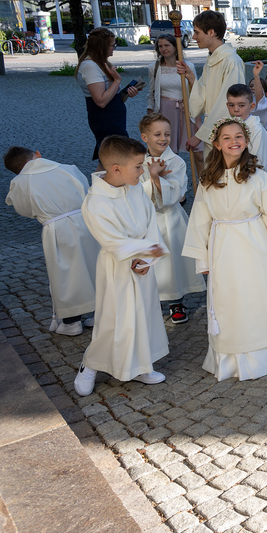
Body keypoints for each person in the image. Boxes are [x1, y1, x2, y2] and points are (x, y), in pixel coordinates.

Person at [182, 118, 267, 381]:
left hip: (257, 245)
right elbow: (200, 220)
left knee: (261, 294)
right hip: (223, 249)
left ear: (247, 141)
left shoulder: (258, 177)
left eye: (239, 136)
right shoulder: (208, 180)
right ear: (216, 144)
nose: (234, 141)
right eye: (226, 138)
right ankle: (234, 355)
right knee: (231, 299)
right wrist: (202, 259)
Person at [74, 136, 168, 397]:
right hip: (117, 268)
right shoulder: (96, 202)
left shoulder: (134, 187)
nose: (142, 171)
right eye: (138, 166)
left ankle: (140, 365)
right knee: (114, 320)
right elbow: (112, 241)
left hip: (142, 264)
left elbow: (150, 222)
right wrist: (148, 250)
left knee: (143, 315)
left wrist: (149, 258)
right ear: (116, 169)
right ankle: (91, 364)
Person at [4, 146, 98, 336]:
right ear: (38, 154)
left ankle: (72, 322)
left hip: (57, 229)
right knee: (93, 266)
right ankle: (100, 314)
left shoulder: (20, 181)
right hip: (85, 221)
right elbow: (85, 188)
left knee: (66, 274)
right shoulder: (67, 168)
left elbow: (23, 209)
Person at [137, 114, 205, 324]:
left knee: (171, 262)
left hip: (170, 218)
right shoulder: (137, 161)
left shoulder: (176, 161)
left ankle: (176, 301)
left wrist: (157, 178)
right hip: (146, 219)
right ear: (145, 137)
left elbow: (177, 193)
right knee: (149, 260)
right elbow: (135, 192)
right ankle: (150, 301)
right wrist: (152, 178)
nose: (163, 138)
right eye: (157, 134)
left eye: (167, 134)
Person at [180, 10, 244, 166]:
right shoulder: (212, 60)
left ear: (211, 32)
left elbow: (229, 105)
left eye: (197, 32)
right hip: (213, 131)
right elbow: (204, 96)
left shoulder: (231, 61)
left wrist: (200, 136)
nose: (194, 37)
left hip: (226, 136)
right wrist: (191, 78)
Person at [77, 27, 141, 159]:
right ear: (103, 46)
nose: (114, 48)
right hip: (106, 120)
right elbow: (101, 101)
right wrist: (117, 80)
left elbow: (110, 94)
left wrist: (125, 93)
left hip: (112, 118)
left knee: (109, 158)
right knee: (117, 156)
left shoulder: (99, 63)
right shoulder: (90, 66)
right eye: (112, 45)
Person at [146, 34, 197, 154]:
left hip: (185, 109)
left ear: (175, 47)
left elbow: (195, 89)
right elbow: (151, 92)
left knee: (194, 148)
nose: (164, 49)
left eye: (167, 45)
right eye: (160, 46)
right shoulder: (154, 68)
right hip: (165, 109)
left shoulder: (188, 66)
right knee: (167, 148)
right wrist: (150, 113)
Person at [226, 84, 267, 171]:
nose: (236, 109)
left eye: (241, 105)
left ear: (251, 106)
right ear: (227, 105)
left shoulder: (257, 130)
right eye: (231, 105)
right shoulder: (227, 128)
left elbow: (259, 163)